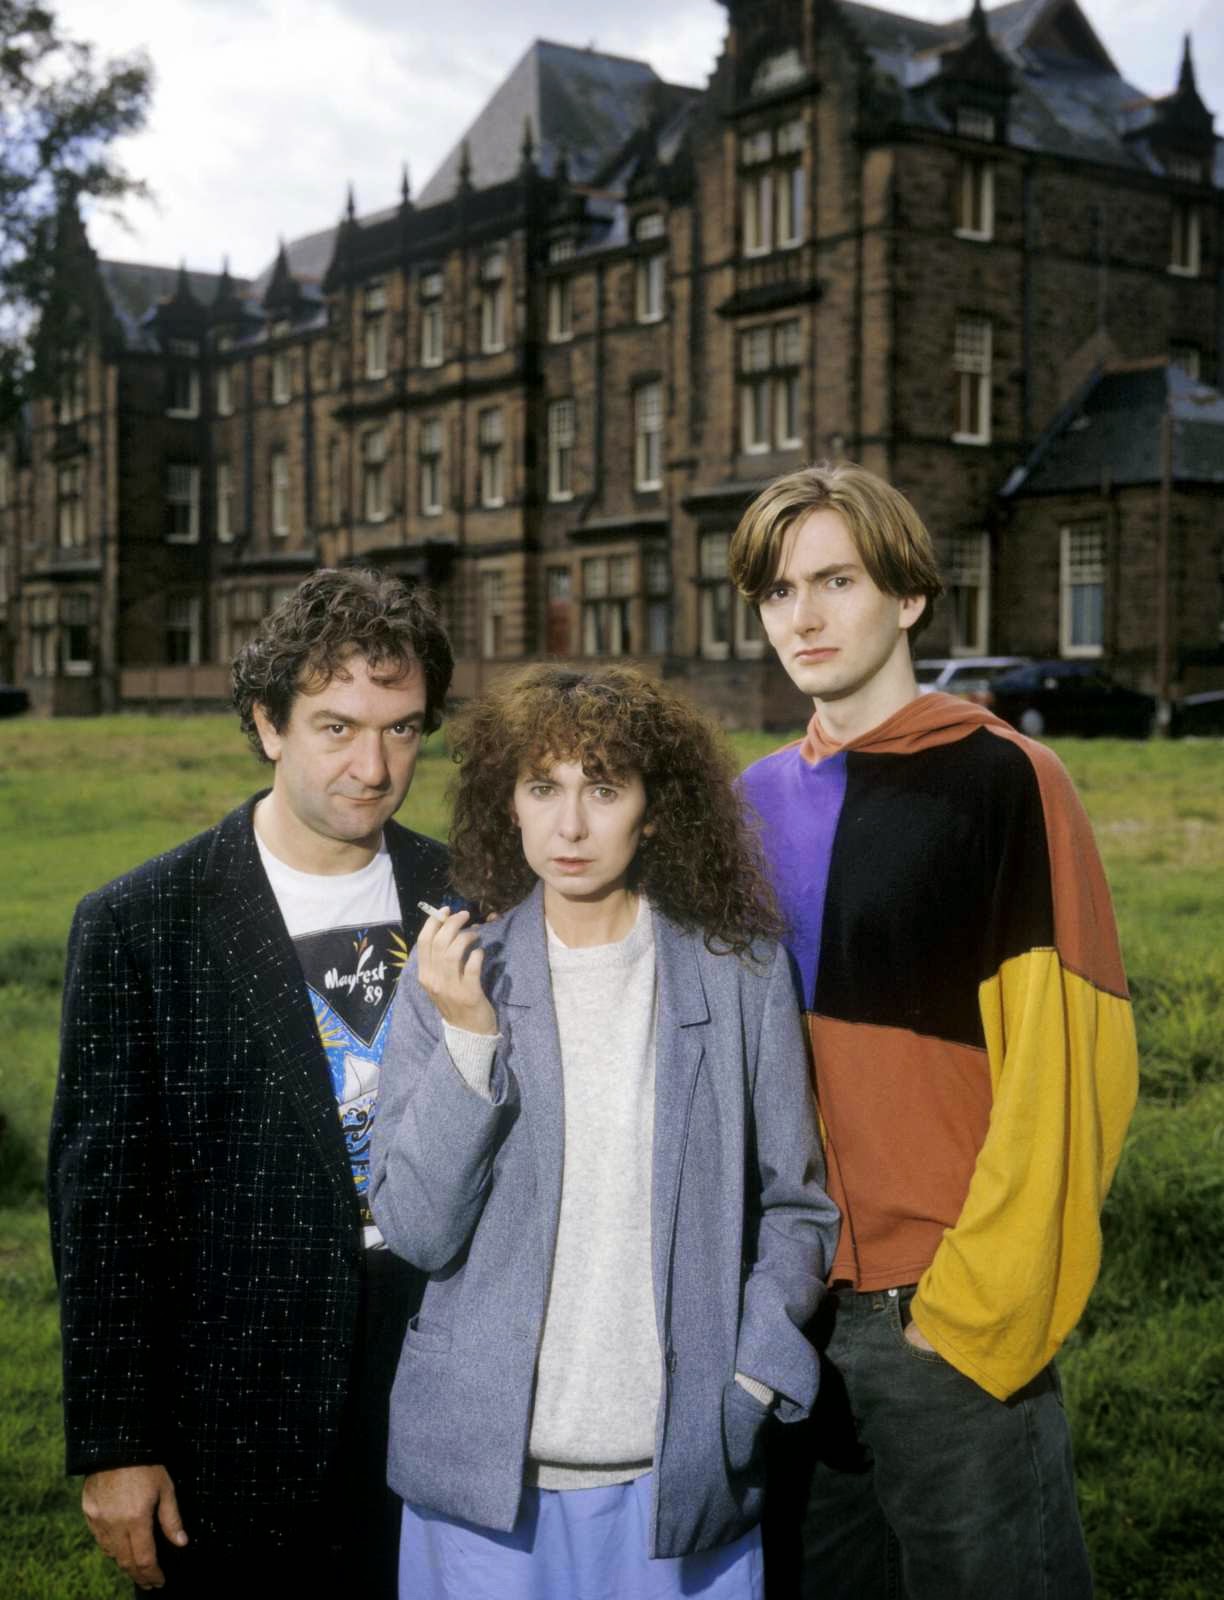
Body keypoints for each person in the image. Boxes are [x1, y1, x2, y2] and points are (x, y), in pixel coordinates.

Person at [728, 462, 1139, 1600]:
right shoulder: (745, 803)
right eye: (774, 593)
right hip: (791, 1323)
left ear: (908, 593)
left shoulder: (1008, 782)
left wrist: (972, 1316)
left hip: (945, 1322)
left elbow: (1072, 1077)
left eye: (834, 580)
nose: (801, 618)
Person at [368, 663, 839, 1600]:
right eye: (543, 788)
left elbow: (798, 1205)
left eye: (604, 788)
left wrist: (751, 1384)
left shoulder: (742, 976)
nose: (570, 826)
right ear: (510, 802)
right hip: (480, 1491)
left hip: (681, 1480)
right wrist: (469, 1040)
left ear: (653, 809)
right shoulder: (458, 974)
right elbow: (416, 1231)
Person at [48, 567, 454, 1597]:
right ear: (267, 722)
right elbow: (104, 1206)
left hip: (438, 1389)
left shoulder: (472, 896)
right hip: (231, 1413)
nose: (374, 765)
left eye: (403, 729)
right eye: (337, 726)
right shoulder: (143, 923)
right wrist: (116, 1440)